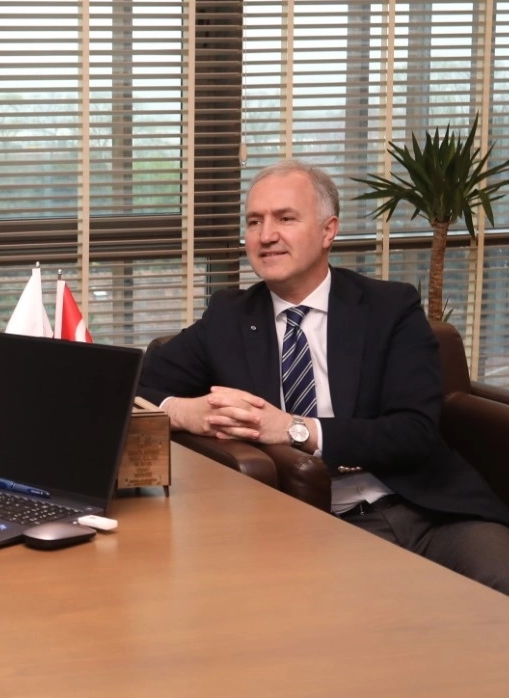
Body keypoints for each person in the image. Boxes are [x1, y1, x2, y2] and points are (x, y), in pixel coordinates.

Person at [139, 159, 509, 594]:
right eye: (254, 221)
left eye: (285, 218)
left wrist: (294, 429)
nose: (266, 235)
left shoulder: (389, 308)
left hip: (428, 509)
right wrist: (187, 412)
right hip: (317, 523)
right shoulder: (228, 318)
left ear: (328, 231)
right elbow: (134, 384)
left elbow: (414, 432)